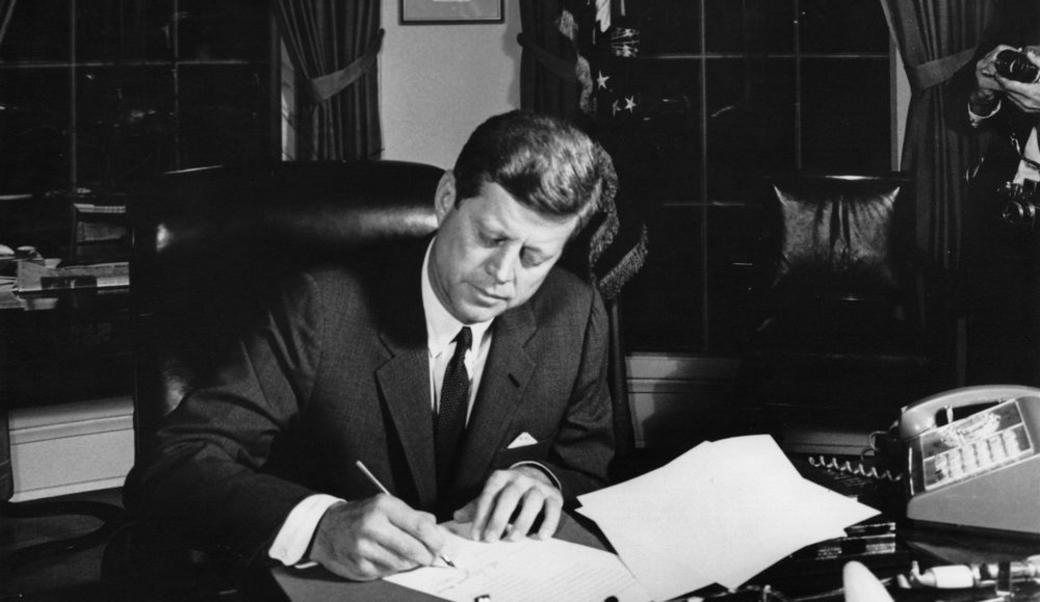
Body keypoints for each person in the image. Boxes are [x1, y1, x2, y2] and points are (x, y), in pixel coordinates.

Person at [124, 110, 618, 581]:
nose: (504, 276)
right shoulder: (322, 307)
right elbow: (174, 465)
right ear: (447, 198)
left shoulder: (573, 312)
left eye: (535, 257)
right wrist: (321, 525)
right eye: (490, 238)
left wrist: (542, 480)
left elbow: (588, 463)